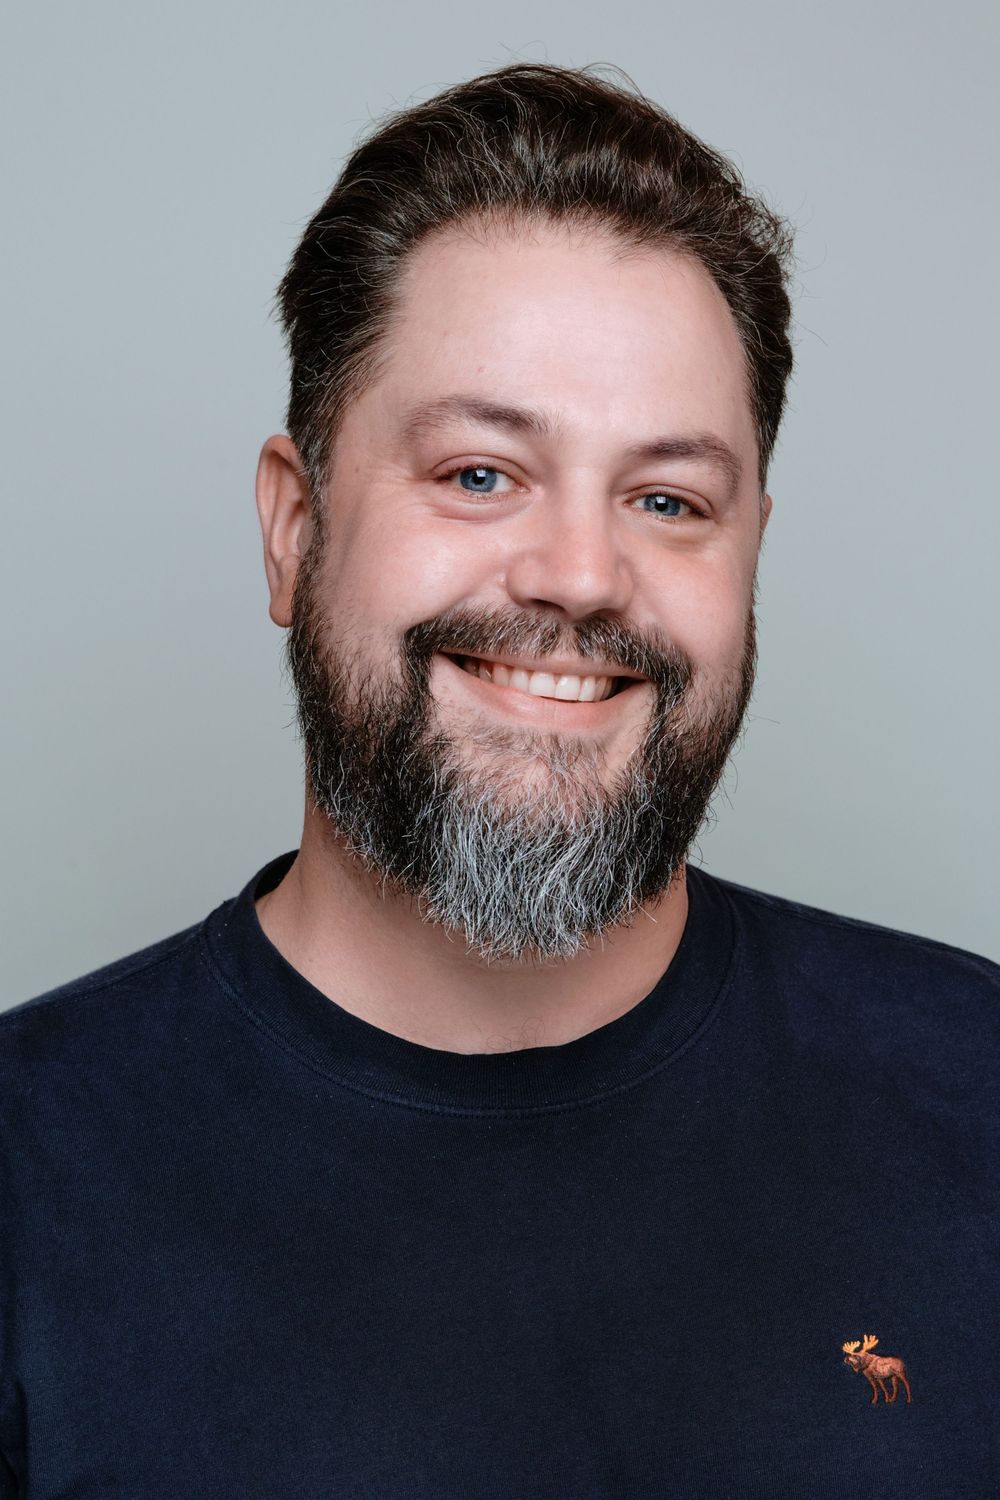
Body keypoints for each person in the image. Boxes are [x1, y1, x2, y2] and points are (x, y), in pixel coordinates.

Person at [1, 62, 996, 1499]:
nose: (583, 576)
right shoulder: (35, 1184)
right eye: (479, 472)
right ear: (293, 529)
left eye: (669, 501)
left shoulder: (974, 1093)